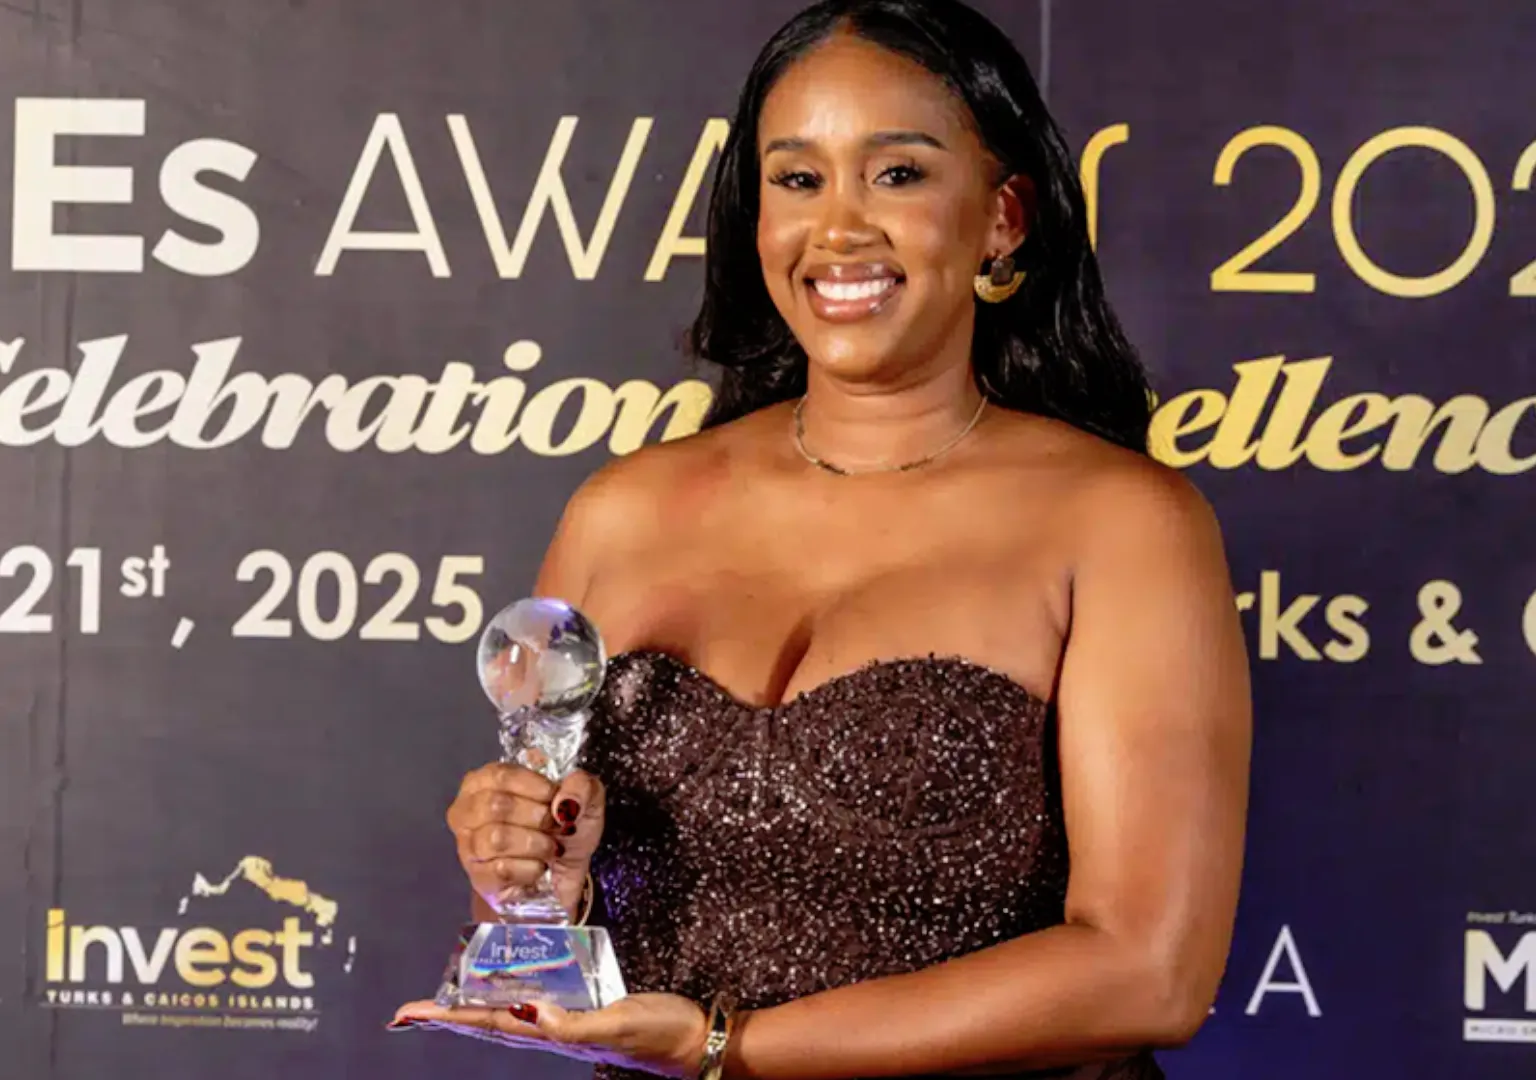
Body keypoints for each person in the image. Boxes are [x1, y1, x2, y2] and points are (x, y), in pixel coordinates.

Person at [392, 1, 1252, 1077]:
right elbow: (539, 929)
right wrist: (532, 879)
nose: (839, 228)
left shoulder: (1123, 523)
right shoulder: (621, 511)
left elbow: (1149, 971)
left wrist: (726, 1049)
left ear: (1003, 218)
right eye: (798, 179)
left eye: (896, 174)